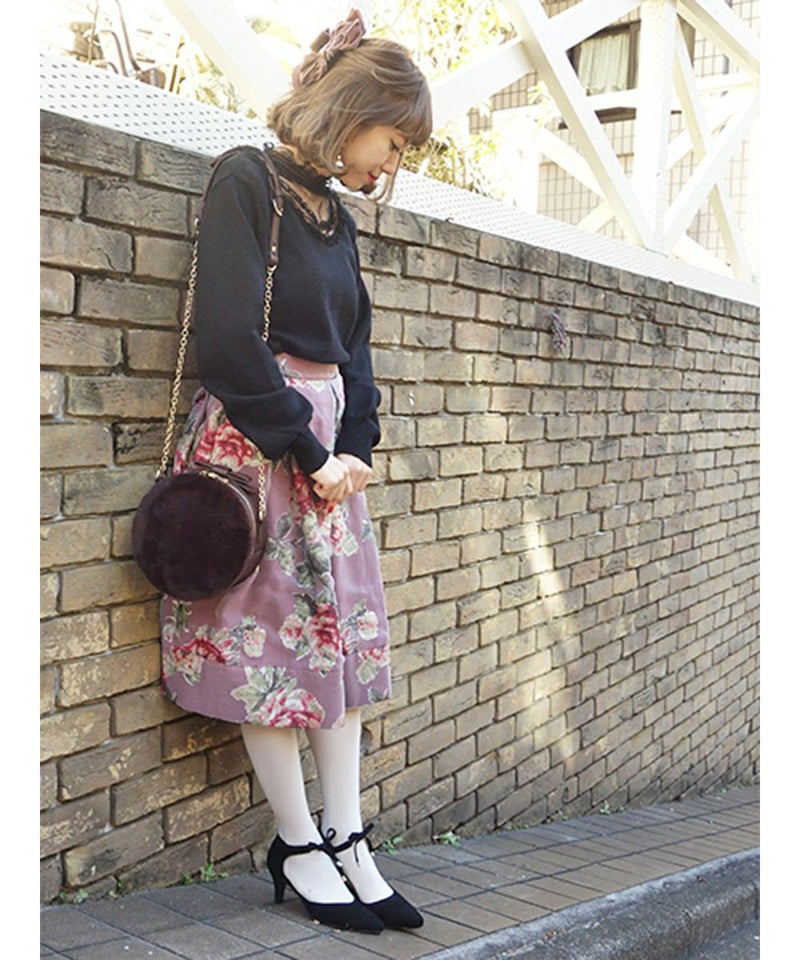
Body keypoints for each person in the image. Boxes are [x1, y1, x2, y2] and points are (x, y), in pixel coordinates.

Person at [159, 8, 432, 936]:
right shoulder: (247, 181)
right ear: (352, 111)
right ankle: (297, 842)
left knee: (338, 652)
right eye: (392, 141)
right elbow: (228, 342)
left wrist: (357, 448)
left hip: (326, 469)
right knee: (270, 652)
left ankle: (348, 839)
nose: (390, 163)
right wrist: (310, 452)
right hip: (260, 449)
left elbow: (356, 350)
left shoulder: (334, 217)